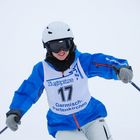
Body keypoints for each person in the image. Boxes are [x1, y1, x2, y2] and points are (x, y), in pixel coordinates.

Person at [6, 21, 133, 140]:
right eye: (55, 46)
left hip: (91, 117)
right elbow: (28, 91)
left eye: (64, 45)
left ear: (71, 43)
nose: (61, 51)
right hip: (62, 125)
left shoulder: (81, 62)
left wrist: (120, 68)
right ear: (47, 47)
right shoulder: (42, 70)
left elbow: (102, 62)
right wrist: (15, 111)